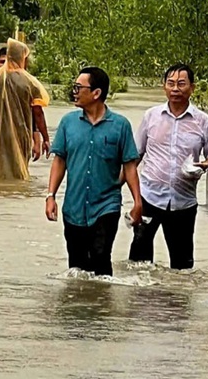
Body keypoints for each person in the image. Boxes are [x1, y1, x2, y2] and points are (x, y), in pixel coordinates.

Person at [46, 67, 143, 276]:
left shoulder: (120, 126)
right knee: (77, 268)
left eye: (79, 87)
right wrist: (50, 196)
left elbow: (129, 166)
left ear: (96, 93)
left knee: (100, 257)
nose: (74, 91)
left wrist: (137, 202)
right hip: (73, 207)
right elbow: (59, 161)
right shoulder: (68, 123)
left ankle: (103, 307)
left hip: (106, 205)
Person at [129, 64, 208, 269]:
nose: (175, 89)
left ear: (192, 88)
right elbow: (135, 157)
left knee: (182, 265)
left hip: (184, 202)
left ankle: (177, 300)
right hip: (149, 196)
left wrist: (203, 165)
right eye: (171, 84)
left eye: (181, 84)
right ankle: (139, 302)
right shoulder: (151, 116)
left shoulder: (203, 121)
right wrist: (127, 193)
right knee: (138, 263)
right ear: (164, 87)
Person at [0, 38, 51, 180]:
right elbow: (38, 113)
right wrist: (45, 139)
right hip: (21, 133)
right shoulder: (30, 82)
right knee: (17, 171)